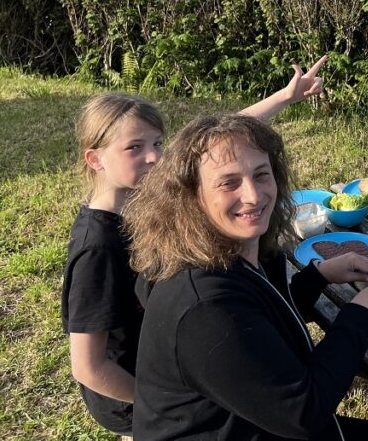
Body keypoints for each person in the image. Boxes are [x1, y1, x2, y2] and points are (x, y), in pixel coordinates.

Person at [61, 58, 326, 435]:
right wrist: (164, 400)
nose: (153, 157)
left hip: (180, 359)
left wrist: (284, 97)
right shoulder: (97, 247)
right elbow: (87, 367)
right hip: (135, 394)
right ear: (95, 158)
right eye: (134, 147)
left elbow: (218, 146)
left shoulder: (140, 195)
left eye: (156, 143)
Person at [125, 113, 368, 441]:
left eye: (261, 174)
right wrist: (360, 314)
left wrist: (318, 276)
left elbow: (257, 323)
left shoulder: (241, 251)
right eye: (229, 182)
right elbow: (304, 412)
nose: (253, 195)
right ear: (191, 196)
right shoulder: (203, 307)